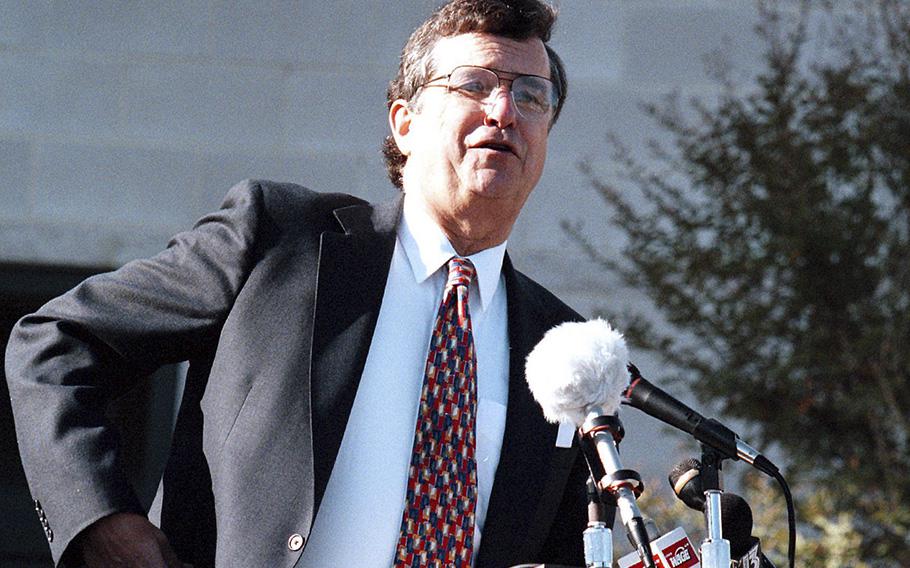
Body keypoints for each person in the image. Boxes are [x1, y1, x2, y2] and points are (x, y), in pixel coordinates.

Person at [5, 0, 589, 566]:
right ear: (405, 124)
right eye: (473, 84)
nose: (504, 110)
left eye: (532, 94)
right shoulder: (281, 240)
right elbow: (56, 343)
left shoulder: (564, 346)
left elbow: (566, 542)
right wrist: (102, 520)